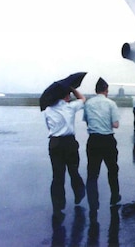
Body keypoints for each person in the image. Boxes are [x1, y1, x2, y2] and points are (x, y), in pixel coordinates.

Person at [43, 87, 86, 222]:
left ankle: (58, 206)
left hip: (55, 142)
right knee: (73, 170)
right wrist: (73, 89)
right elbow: (83, 99)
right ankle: (79, 193)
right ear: (66, 96)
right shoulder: (70, 107)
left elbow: (49, 127)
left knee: (57, 176)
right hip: (69, 142)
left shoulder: (48, 110)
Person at [83, 77, 121, 223]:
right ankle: (115, 196)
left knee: (92, 173)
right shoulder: (111, 104)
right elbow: (115, 124)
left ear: (95, 90)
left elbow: (86, 120)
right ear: (106, 90)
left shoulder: (88, 103)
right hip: (108, 140)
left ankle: (93, 203)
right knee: (112, 169)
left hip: (93, 140)